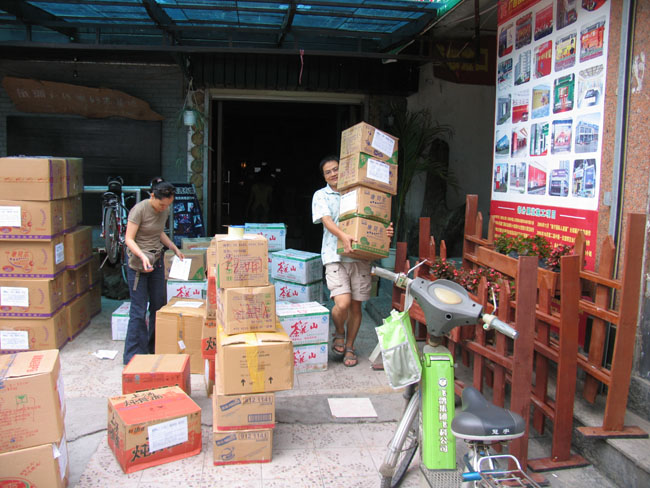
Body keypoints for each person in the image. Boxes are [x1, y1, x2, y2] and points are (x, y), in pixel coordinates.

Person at [312, 156, 393, 367]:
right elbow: (327, 221)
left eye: (336, 169)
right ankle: (339, 331)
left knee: (356, 306)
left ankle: (350, 346)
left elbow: (373, 219)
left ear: (344, 170)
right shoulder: (321, 195)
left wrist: (384, 232)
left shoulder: (359, 192)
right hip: (335, 256)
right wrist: (343, 236)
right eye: (328, 172)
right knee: (342, 303)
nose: (333, 174)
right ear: (324, 177)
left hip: (360, 256)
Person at [123, 177, 185, 365]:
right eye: (161, 204)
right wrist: (142, 256)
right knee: (139, 309)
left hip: (156, 260)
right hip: (138, 263)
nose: (163, 208)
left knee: (158, 305)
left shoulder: (164, 210)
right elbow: (128, 239)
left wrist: (173, 247)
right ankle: (134, 355)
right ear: (152, 196)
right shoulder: (139, 210)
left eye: (167, 205)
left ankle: (154, 347)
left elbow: (158, 232)